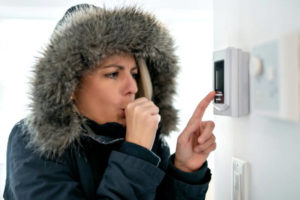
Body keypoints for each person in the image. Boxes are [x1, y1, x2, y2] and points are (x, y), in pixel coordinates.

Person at [3, 4, 216, 200]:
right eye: (113, 74)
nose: (132, 87)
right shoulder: (34, 142)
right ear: (70, 86)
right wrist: (136, 155)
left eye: (134, 74)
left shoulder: (150, 141)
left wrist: (185, 169)